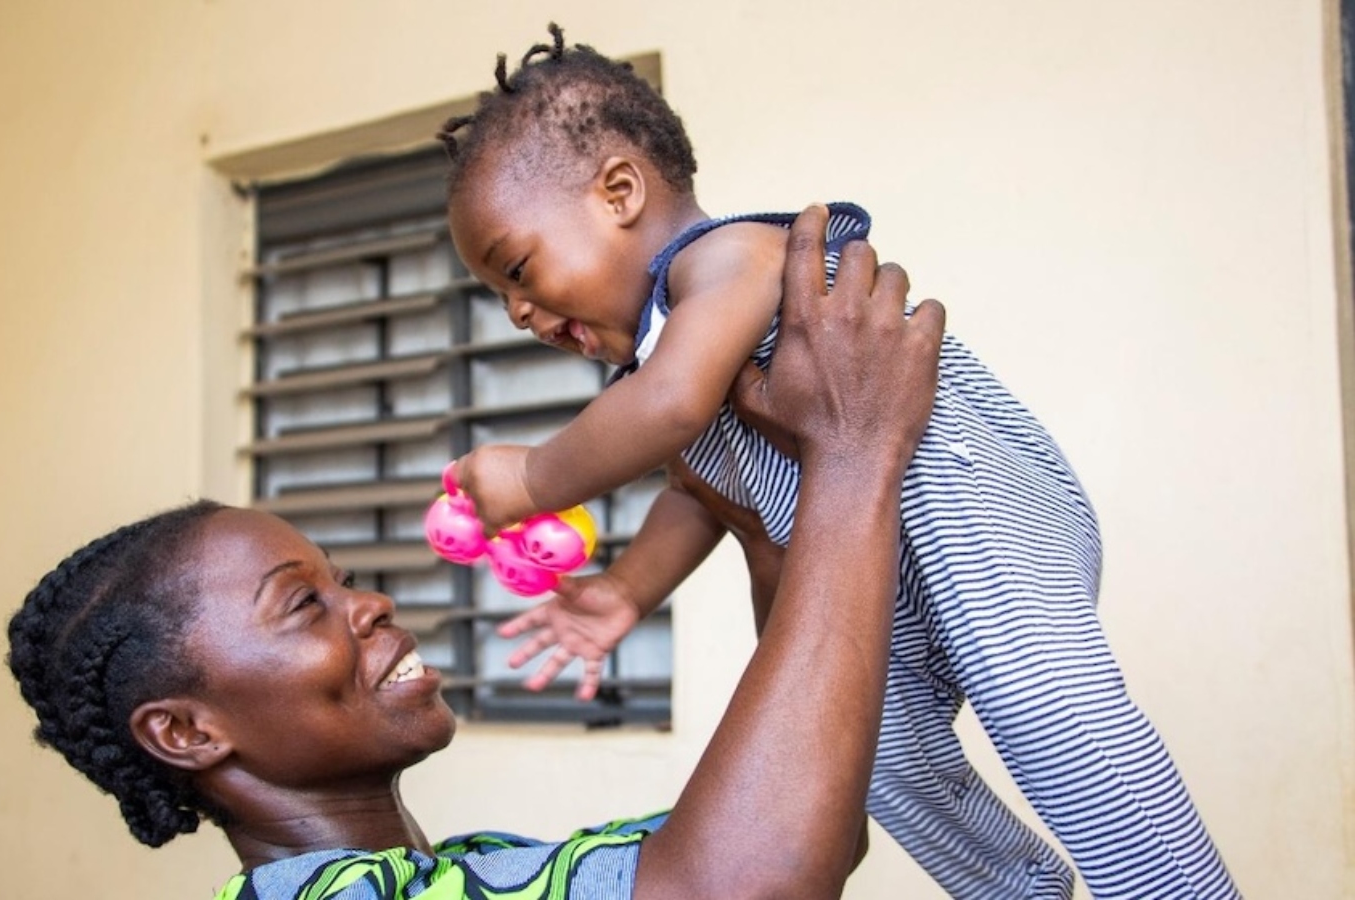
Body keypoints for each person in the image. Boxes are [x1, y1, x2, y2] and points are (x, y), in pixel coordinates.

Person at [438, 24, 1238, 899]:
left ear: (620, 190)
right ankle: (1018, 888)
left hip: (970, 512)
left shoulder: (731, 261)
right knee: (876, 758)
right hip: (870, 567)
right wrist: (627, 591)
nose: (518, 311)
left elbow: (666, 410)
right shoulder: (668, 362)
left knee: (1048, 715)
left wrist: (531, 477)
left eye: (518, 268)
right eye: (501, 296)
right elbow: (698, 497)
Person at [6, 209, 941, 899]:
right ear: (187, 731)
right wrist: (852, 464)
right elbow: (748, 882)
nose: (367, 602)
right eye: (303, 604)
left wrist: (758, 520)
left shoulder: (477, 871)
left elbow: (810, 829)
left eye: (337, 580)